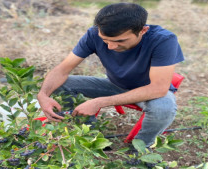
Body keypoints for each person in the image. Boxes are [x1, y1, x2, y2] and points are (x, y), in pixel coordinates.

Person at [37, 2, 184, 148]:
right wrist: (43, 95)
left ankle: (141, 148)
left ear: (143, 31)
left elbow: (158, 88)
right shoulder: (93, 34)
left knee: (164, 107)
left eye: (120, 41)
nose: (111, 47)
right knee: (60, 85)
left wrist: (99, 102)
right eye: (105, 40)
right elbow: (62, 70)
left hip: (148, 91)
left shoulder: (163, 40)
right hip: (114, 85)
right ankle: (88, 136)